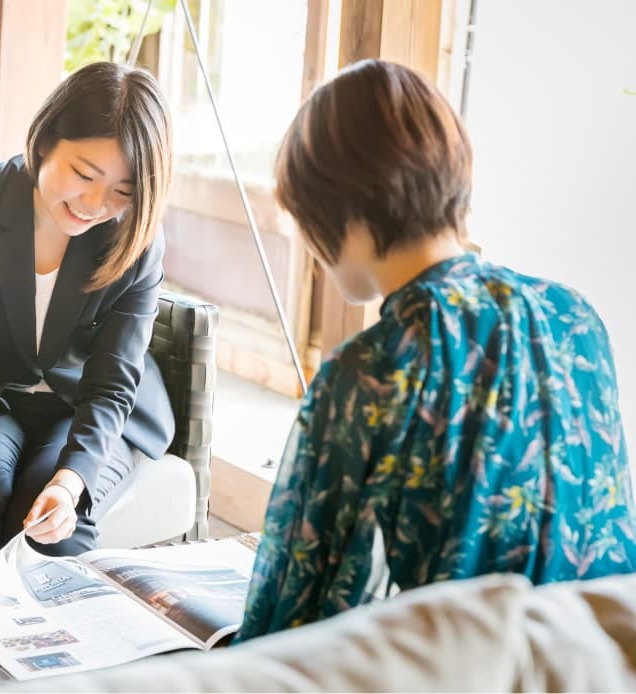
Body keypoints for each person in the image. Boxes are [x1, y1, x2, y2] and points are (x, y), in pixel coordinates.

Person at [236, 59, 636, 639]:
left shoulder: (372, 370)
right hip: (599, 657)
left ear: (345, 211)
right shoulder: (575, 317)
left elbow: (294, 603)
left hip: (469, 664)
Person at [0, 61, 175, 564]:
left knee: (50, 528)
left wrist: (69, 484)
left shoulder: (138, 237)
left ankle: (62, 617)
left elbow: (112, 383)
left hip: (87, 408)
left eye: (123, 191)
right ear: (46, 140)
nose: (94, 203)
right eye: (84, 174)